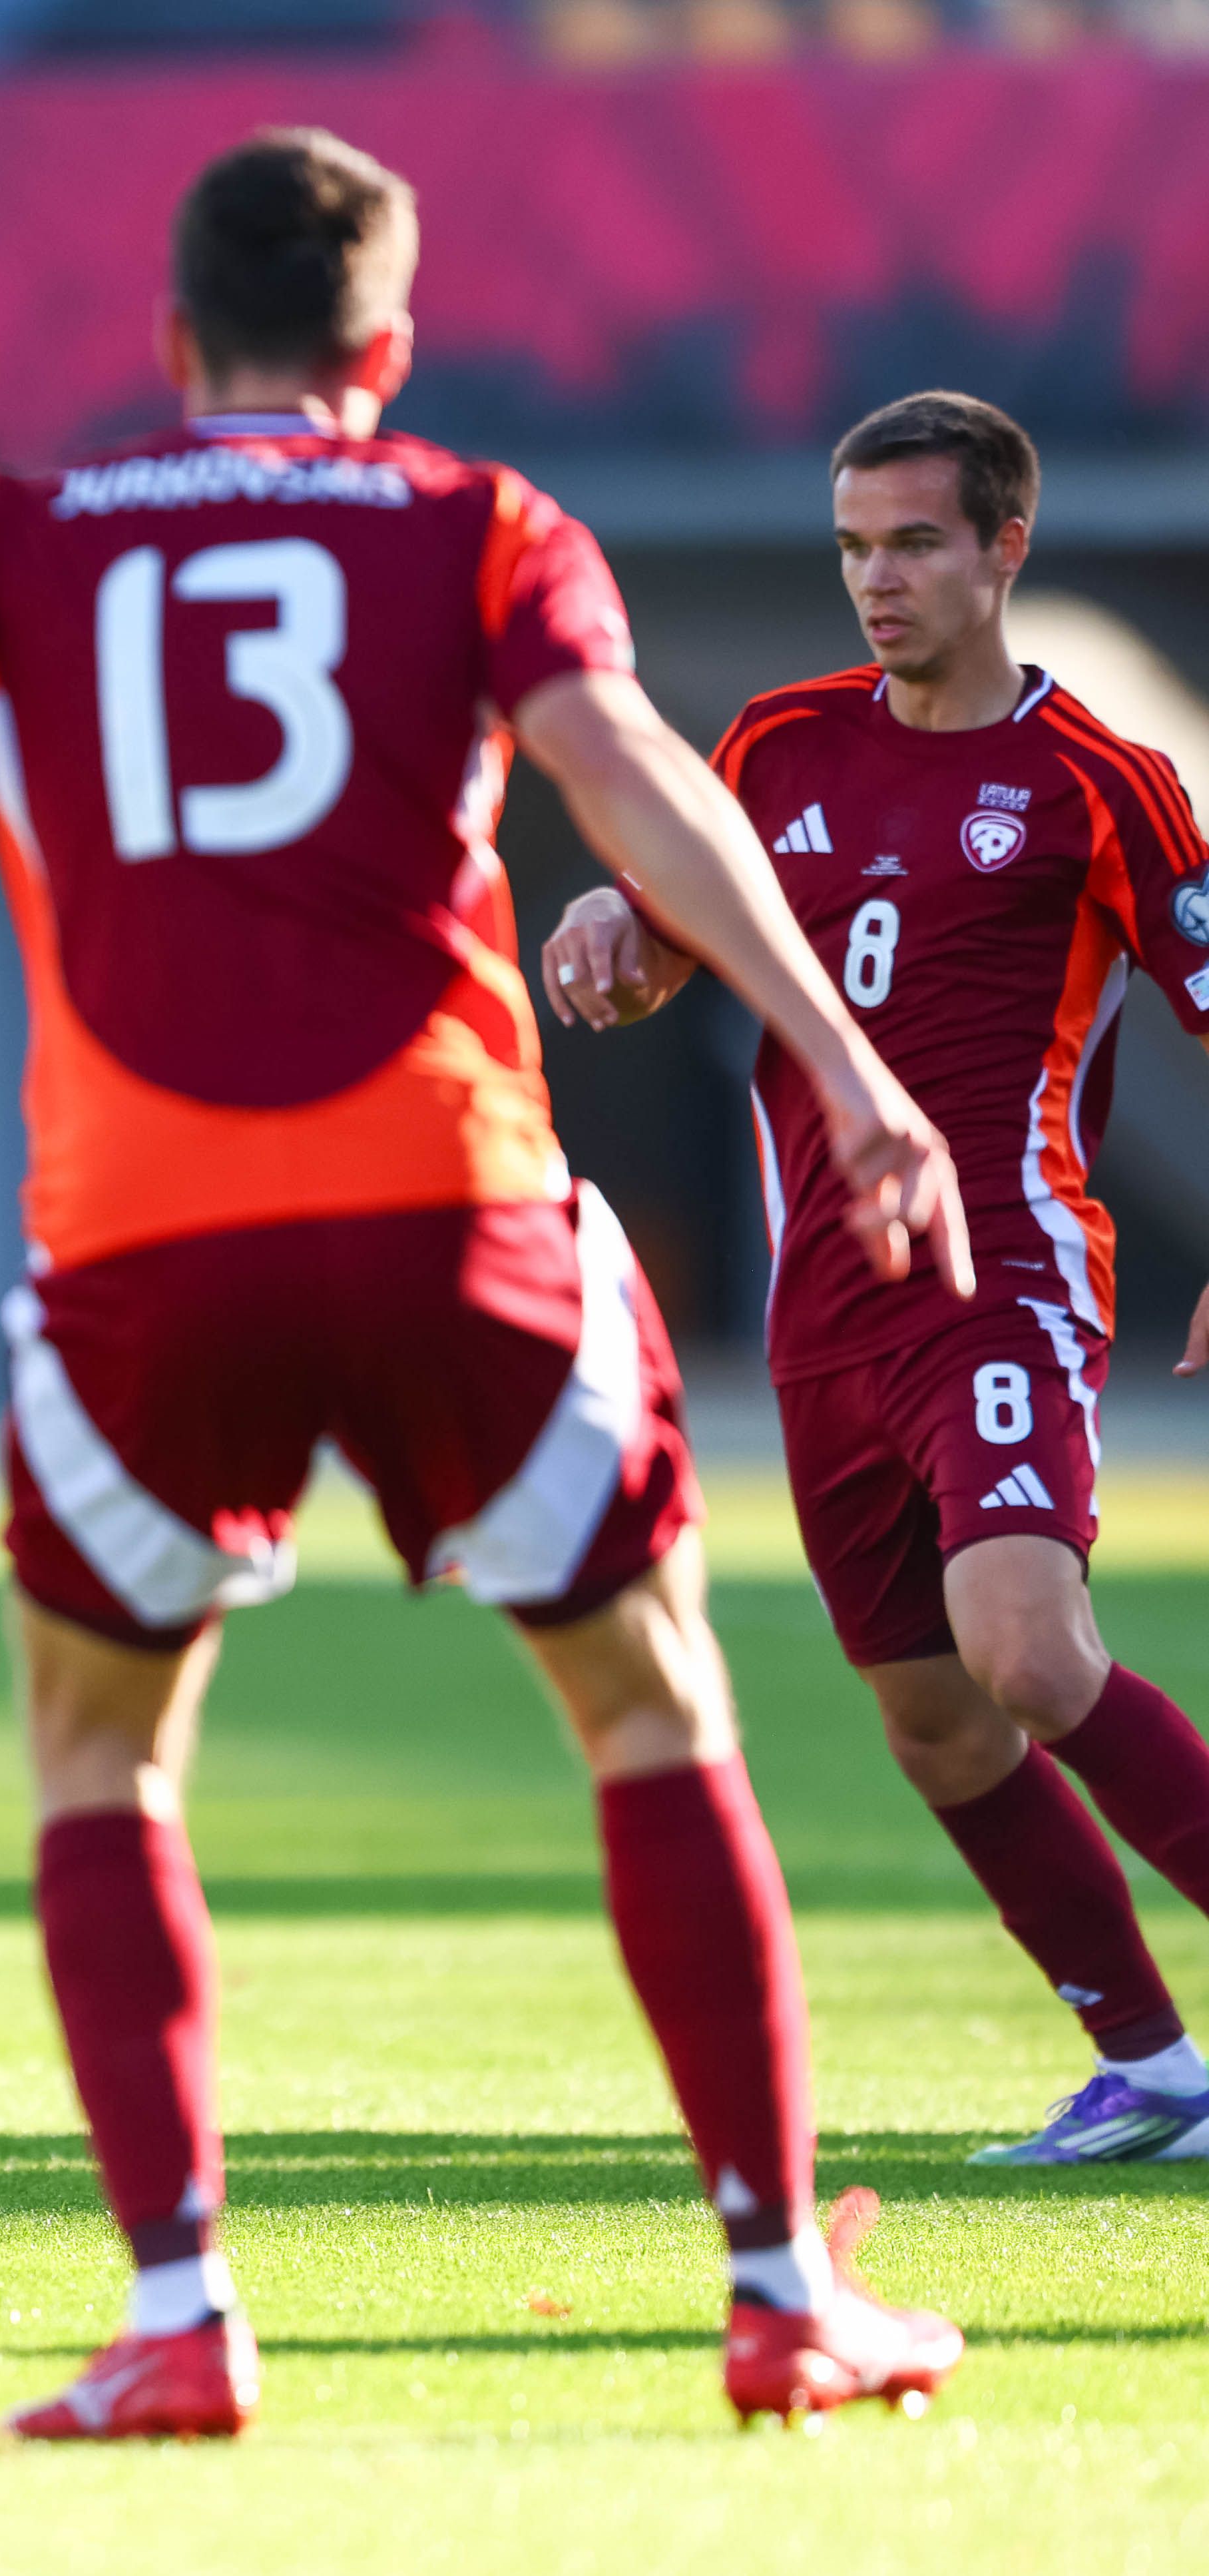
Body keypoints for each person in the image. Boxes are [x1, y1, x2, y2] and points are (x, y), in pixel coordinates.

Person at [0, 129, 973, 2437]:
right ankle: (785, 2285)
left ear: (175, 337)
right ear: (385, 351)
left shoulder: (18, 535)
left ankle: (180, 2313)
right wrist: (844, 1059)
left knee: (103, 1755)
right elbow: (625, 775)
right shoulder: (475, 519)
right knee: (650, 1706)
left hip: (139, 1237)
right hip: (442, 1201)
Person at [544, 390, 1209, 2167]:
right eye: (854, 547)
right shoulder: (774, 742)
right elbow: (682, 917)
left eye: (914, 542)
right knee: (930, 1719)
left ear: (1006, 546)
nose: (877, 581)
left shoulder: (1104, 784)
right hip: (821, 1313)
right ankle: (1149, 2068)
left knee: (1028, 1651)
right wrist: (618, 927)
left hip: (1003, 1277)